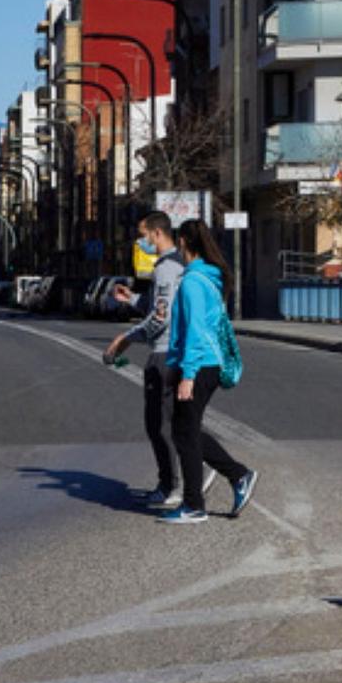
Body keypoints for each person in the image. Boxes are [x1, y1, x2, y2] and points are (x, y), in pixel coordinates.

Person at [103, 211, 214, 507]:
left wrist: (127, 338)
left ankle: (173, 485)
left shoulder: (166, 268)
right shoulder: (175, 265)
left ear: (156, 234)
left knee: (159, 425)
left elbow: (160, 319)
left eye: (143, 235)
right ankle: (191, 475)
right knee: (175, 421)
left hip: (164, 353)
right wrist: (135, 300)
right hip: (173, 351)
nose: (141, 242)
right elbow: (159, 306)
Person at [159, 218, 257, 525]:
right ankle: (237, 476)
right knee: (184, 429)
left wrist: (187, 374)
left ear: (184, 243)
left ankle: (194, 505)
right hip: (205, 364)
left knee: (185, 434)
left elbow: (197, 332)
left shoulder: (192, 282)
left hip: (200, 365)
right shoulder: (207, 279)